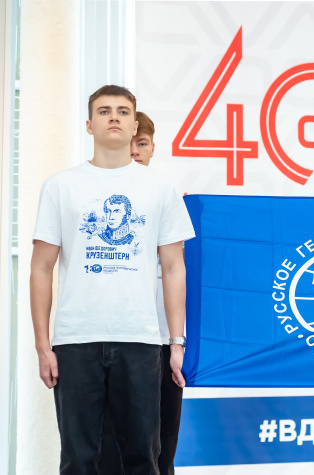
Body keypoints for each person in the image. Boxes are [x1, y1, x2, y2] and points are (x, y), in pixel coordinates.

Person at [30, 85, 195, 474]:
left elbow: (174, 268)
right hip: (75, 341)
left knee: (142, 459)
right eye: (104, 111)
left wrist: (176, 343)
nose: (114, 117)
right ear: (89, 125)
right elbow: (41, 268)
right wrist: (42, 345)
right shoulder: (61, 186)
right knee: (78, 460)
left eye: (123, 111)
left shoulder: (160, 188)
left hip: (140, 341)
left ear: (134, 124)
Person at [99, 111, 184, 475]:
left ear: (152, 148)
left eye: (143, 143)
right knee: (112, 446)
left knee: (162, 447)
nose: (135, 151)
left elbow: (180, 271)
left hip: (163, 339)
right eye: (131, 143)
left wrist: (178, 342)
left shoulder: (169, 199)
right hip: (118, 339)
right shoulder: (105, 203)